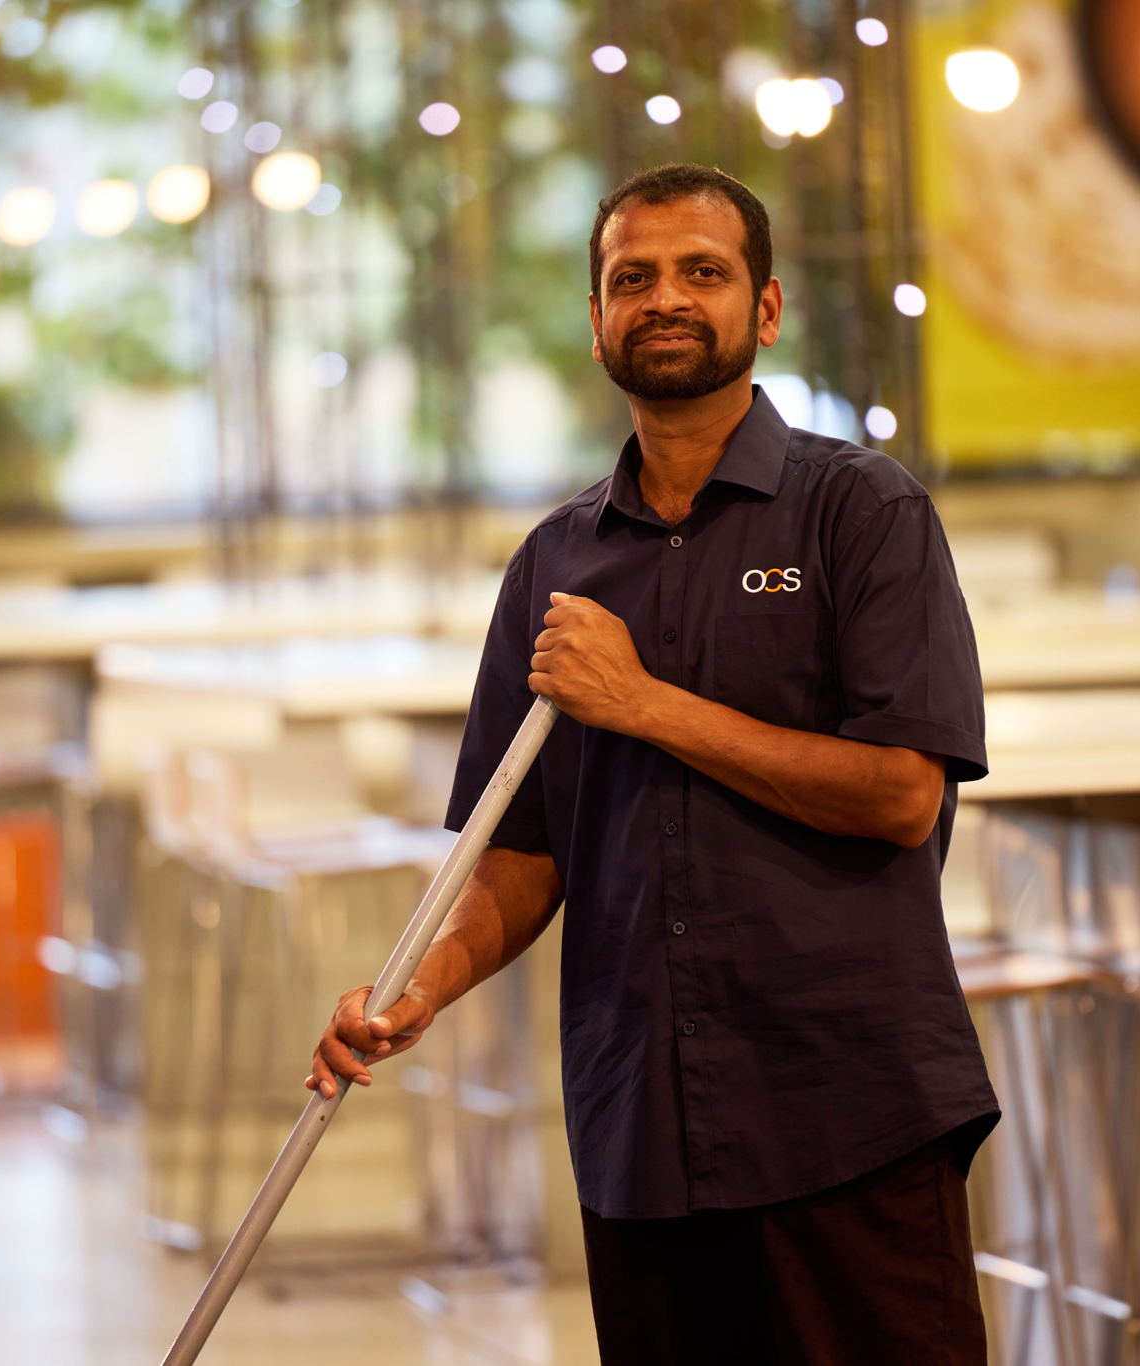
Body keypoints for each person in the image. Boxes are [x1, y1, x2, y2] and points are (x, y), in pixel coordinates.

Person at [306, 162, 1000, 1364]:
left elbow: (899, 793)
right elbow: (521, 854)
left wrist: (642, 703)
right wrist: (424, 979)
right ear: (594, 323)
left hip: (845, 1106)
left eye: (701, 273)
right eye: (632, 278)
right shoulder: (552, 564)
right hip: (642, 1124)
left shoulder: (861, 514)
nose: (664, 298)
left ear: (764, 310)